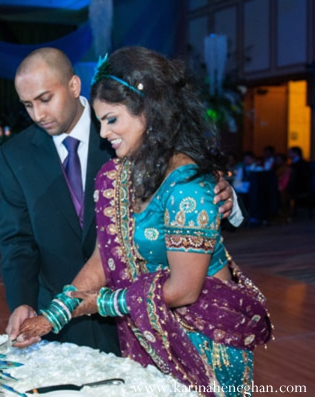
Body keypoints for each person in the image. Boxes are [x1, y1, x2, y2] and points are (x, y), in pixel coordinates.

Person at [16, 46, 272, 393]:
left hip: (204, 340)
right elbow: (102, 259)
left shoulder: (188, 186)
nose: (104, 134)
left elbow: (184, 289)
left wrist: (101, 303)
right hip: (146, 334)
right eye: (100, 122)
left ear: (149, 112)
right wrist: (55, 314)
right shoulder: (115, 176)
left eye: (112, 120)